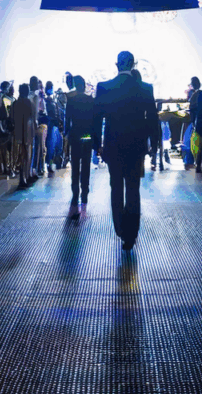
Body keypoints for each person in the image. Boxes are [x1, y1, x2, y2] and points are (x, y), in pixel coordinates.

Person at [92, 51, 158, 251]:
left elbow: (96, 119)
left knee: (116, 188)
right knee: (133, 189)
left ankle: (120, 228)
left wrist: (97, 145)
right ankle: (131, 233)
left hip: (113, 146)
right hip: (137, 147)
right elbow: (152, 119)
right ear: (133, 64)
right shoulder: (145, 88)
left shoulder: (104, 87)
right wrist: (153, 144)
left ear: (117, 65)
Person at [64, 75, 94, 215]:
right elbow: (94, 120)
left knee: (75, 165)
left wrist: (66, 134)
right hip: (87, 135)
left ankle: (75, 193)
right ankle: (85, 193)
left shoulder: (71, 100)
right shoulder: (90, 100)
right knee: (86, 164)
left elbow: (67, 120)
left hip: (75, 135)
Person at [11, 83, 36, 188]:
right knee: (27, 155)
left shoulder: (15, 103)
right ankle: (26, 176)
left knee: (19, 156)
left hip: (17, 133)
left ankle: (21, 177)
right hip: (28, 132)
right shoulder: (29, 103)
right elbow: (33, 118)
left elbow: (11, 117)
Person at [0, 81, 15, 177]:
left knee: (0, 148)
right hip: (4, 125)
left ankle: (1, 168)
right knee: (7, 147)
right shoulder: (5, 98)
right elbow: (8, 113)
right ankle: (8, 168)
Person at [44, 80, 62, 175]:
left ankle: (54, 162)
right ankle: (49, 164)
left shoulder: (53, 100)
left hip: (55, 126)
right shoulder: (45, 100)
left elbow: (57, 112)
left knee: (57, 145)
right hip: (50, 126)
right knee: (50, 147)